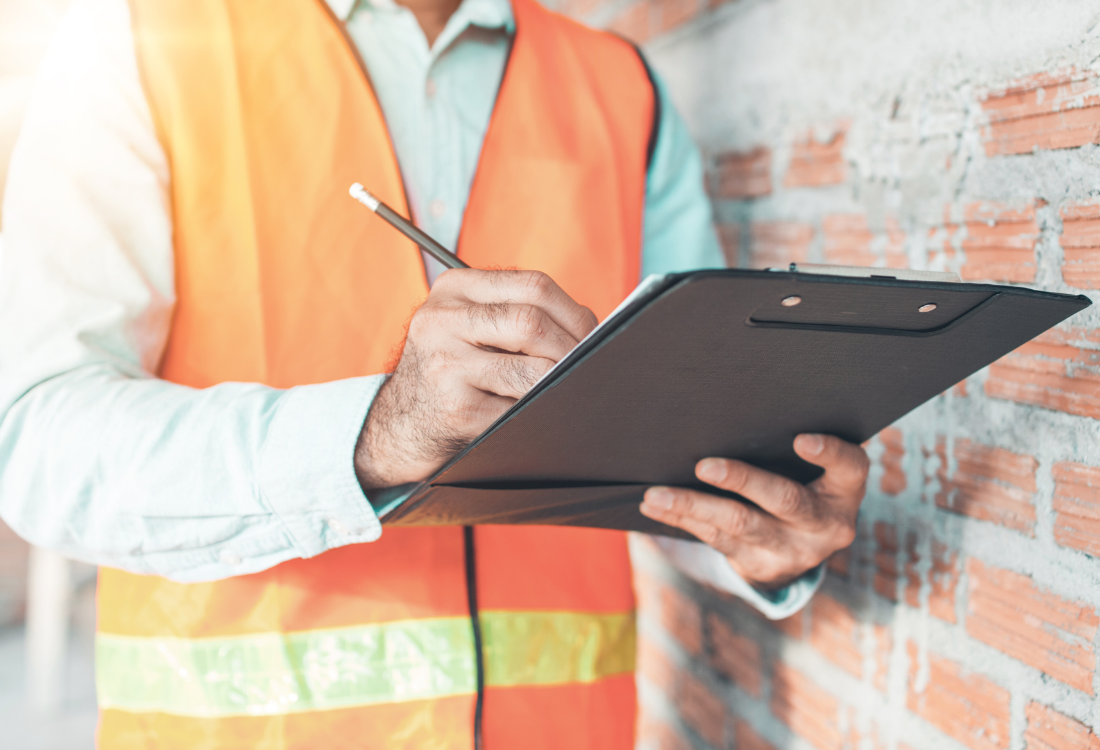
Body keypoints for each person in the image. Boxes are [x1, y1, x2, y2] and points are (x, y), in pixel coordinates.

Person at [0, 0, 869, 746]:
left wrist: (761, 540)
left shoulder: (622, 89)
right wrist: (379, 433)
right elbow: (35, 444)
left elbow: (682, 450)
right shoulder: (144, 40)